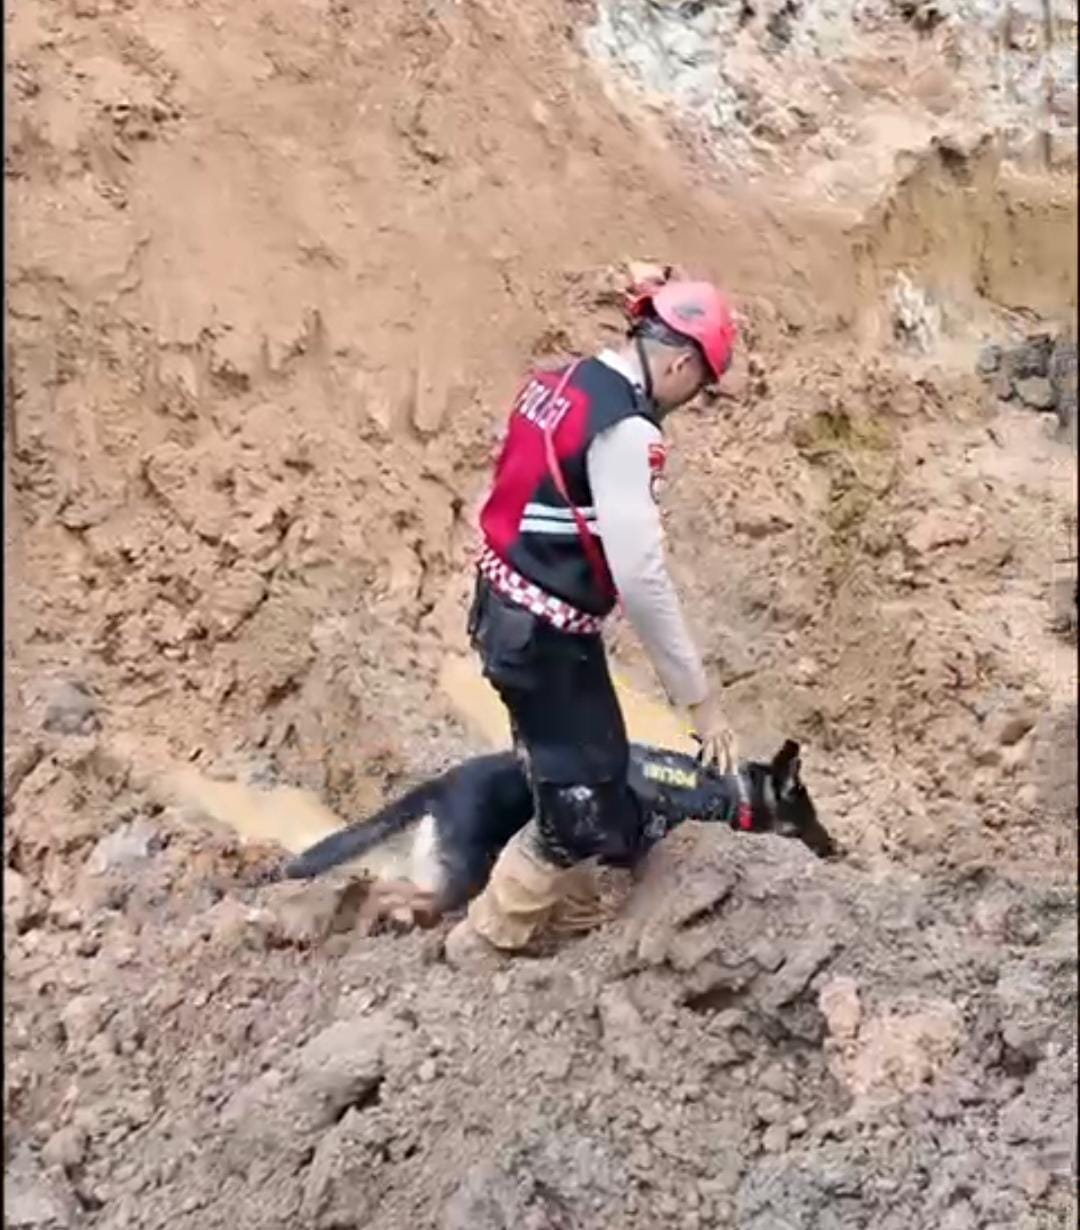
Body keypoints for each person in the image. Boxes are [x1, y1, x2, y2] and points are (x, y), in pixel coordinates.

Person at [444, 271, 740, 969]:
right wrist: (700, 701)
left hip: (500, 606)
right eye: (699, 387)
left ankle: (573, 910)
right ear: (681, 364)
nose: (688, 402)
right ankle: (486, 937)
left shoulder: (559, 382)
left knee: (568, 762)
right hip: (546, 635)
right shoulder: (627, 432)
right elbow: (642, 577)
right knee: (583, 800)